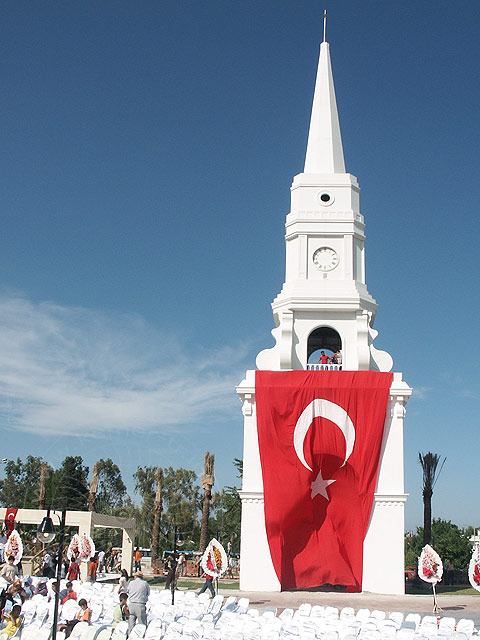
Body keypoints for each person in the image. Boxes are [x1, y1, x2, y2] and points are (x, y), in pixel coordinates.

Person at [126, 571, 149, 636]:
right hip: (140, 604)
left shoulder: (131, 583)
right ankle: (142, 636)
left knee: (131, 624)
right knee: (142, 624)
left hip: (131, 604)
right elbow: (148, 593)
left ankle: (130, 636)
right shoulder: (145, 583)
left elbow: (128, 591)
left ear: (135, 576)